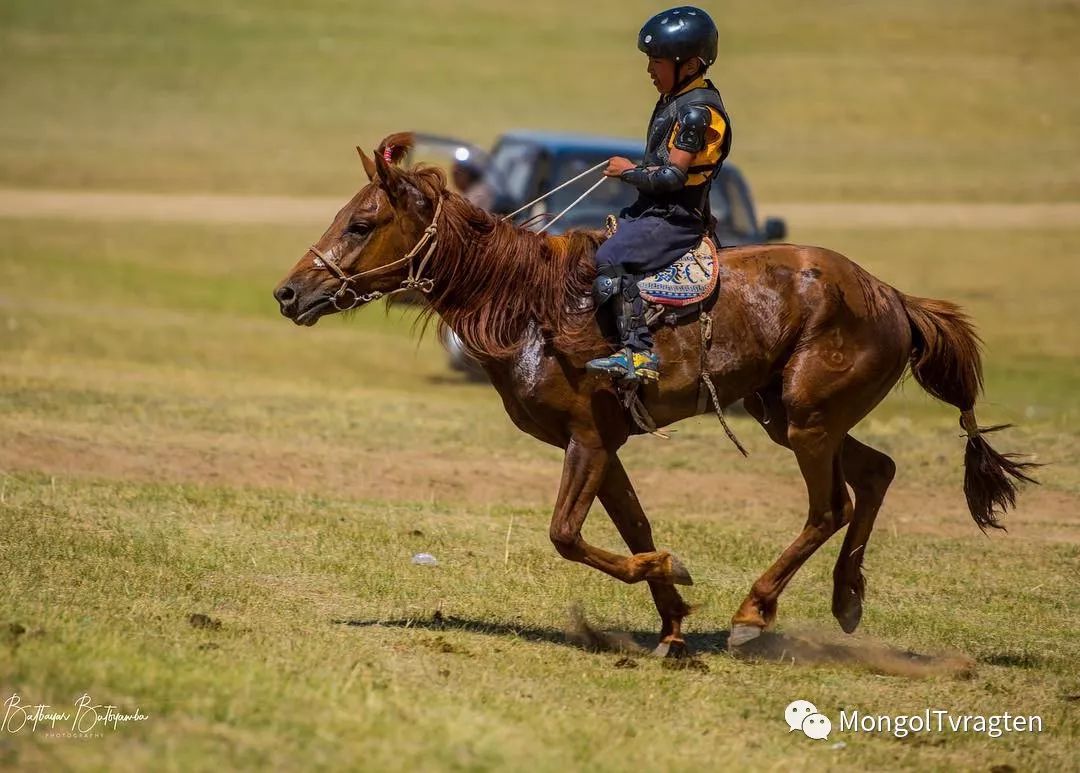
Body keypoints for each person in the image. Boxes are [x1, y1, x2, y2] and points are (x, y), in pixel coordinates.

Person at [586, 6, 732, 383]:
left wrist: (627, 172)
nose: (650, 69)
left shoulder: (697, 112)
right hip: (653, 211)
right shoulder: (676, 100)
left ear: (690, 64)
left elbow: (672, 177)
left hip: (674, 218)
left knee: (612, 258)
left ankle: (638, 353)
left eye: (657, 61)